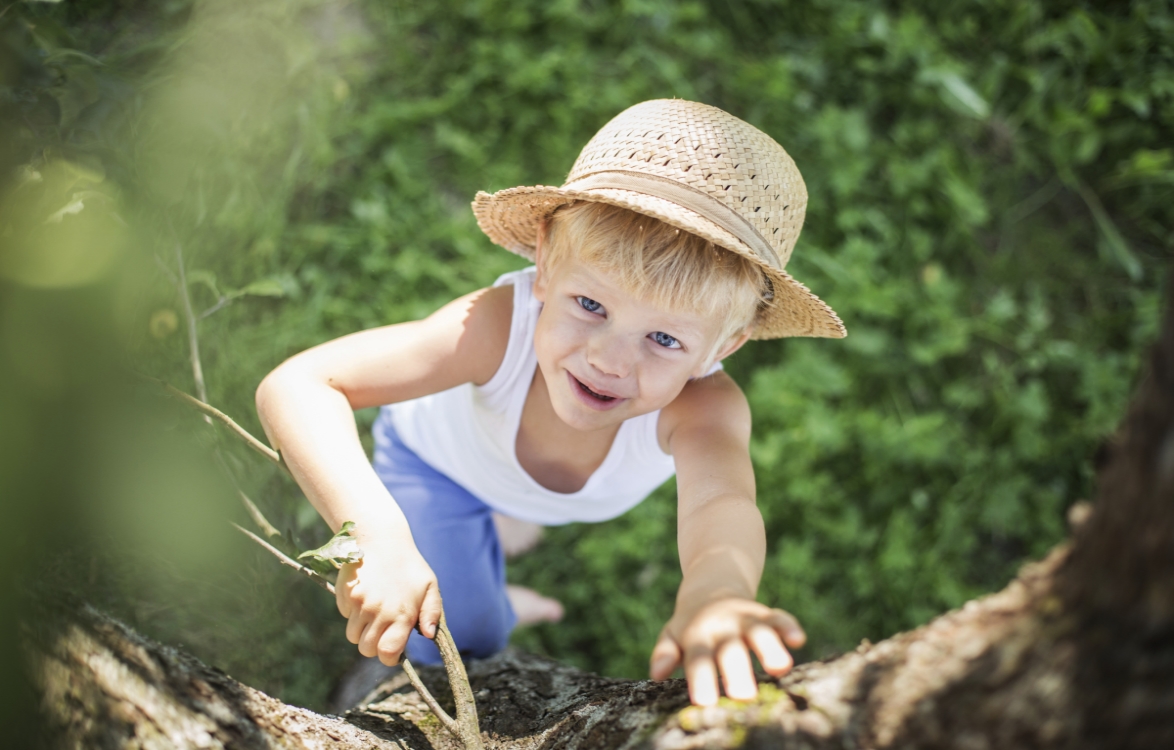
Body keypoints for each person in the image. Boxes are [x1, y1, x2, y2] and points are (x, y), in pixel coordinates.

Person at [255, 99, 846, 707]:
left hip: (505, 470)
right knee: (463, 634)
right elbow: (301, 384)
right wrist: (377, 537)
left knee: (485, 541)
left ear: (723, 347)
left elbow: (722, 503)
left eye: (664, 339)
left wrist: (718, 592)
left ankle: (497, 540)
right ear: (543, 268)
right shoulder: (495, 329)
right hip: (439, 465)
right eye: (590, 306)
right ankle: (488, 593)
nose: (610, 361)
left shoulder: (704, 409)